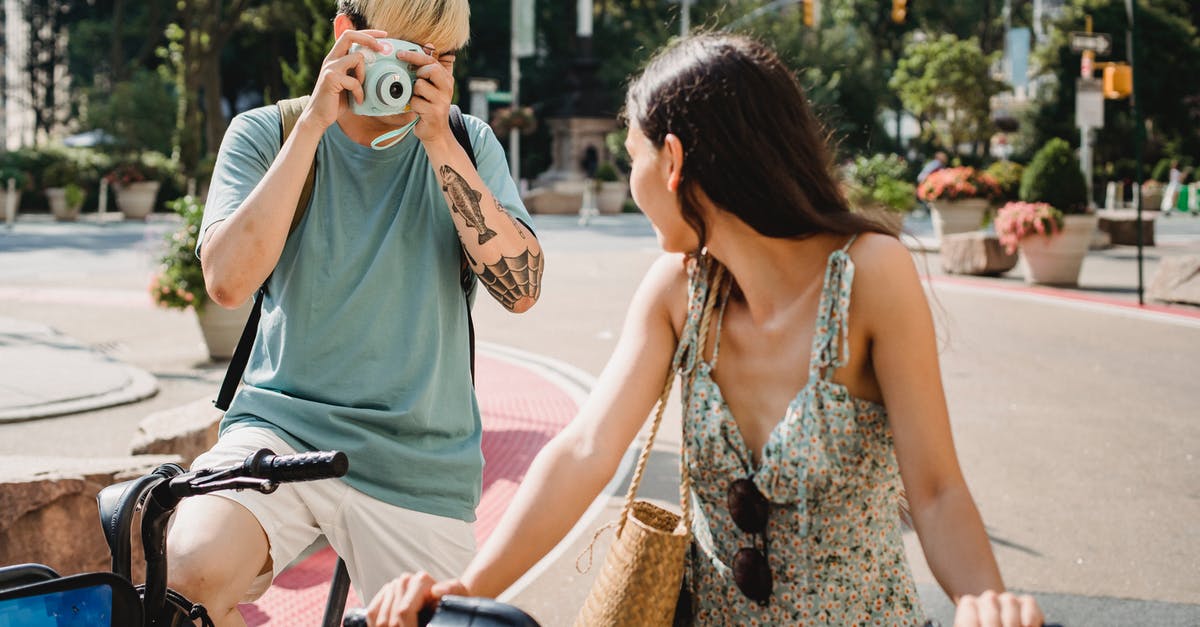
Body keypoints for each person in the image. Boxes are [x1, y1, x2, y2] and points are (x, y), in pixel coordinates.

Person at [366, 34, 1042, 627]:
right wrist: (465, 590)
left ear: (673, 160)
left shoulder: (870, 276)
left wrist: (985, 599)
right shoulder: (679, 291)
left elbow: (936, 489)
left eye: (632, 158)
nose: (631, 179)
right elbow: (585, 450)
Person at [166, 1, 543, 625]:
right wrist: (315, 124)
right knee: (185, 578)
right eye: (406, 57)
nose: (418, 79)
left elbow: (521, 290)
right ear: (349, 36)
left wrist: (439, 139)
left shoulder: (468, 143)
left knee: (446, 620)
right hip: (280, 426)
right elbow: (228, 283)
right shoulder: (268, 132)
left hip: (419, 457)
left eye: (439, 61)